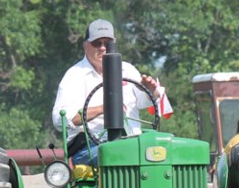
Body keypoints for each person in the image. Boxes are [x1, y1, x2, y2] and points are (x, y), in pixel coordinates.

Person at [52, 19, 167, 165]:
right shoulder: (74, 76)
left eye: (107, 43)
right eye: (96, 43)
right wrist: (104, 109)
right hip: (90, 147)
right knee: (122, 155)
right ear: (85, 45)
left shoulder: (127, 70)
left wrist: (151, 91)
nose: (102, 48)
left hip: (132, 143)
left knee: (163, 154)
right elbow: (60, 120)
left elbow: (147, 101)